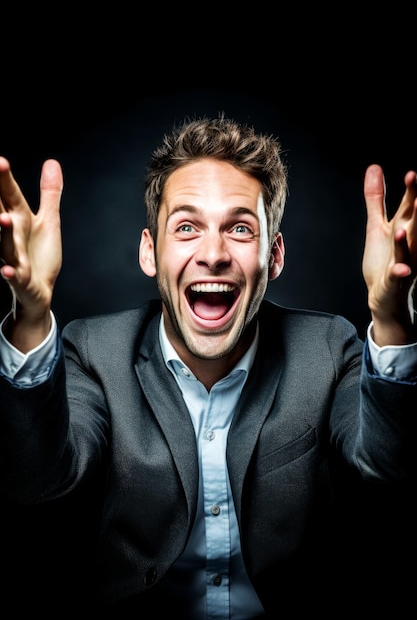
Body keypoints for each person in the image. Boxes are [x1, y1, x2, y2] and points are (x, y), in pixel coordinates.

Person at [0, 115, 416, 618]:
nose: (214, 255)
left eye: (240, 228)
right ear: (150, 252)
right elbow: (39, 482)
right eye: (187, 227)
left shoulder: (327, 347)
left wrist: (391, 320)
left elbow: (387, 470)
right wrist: (31, 316)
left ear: (275, 255)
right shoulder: (93, 350)